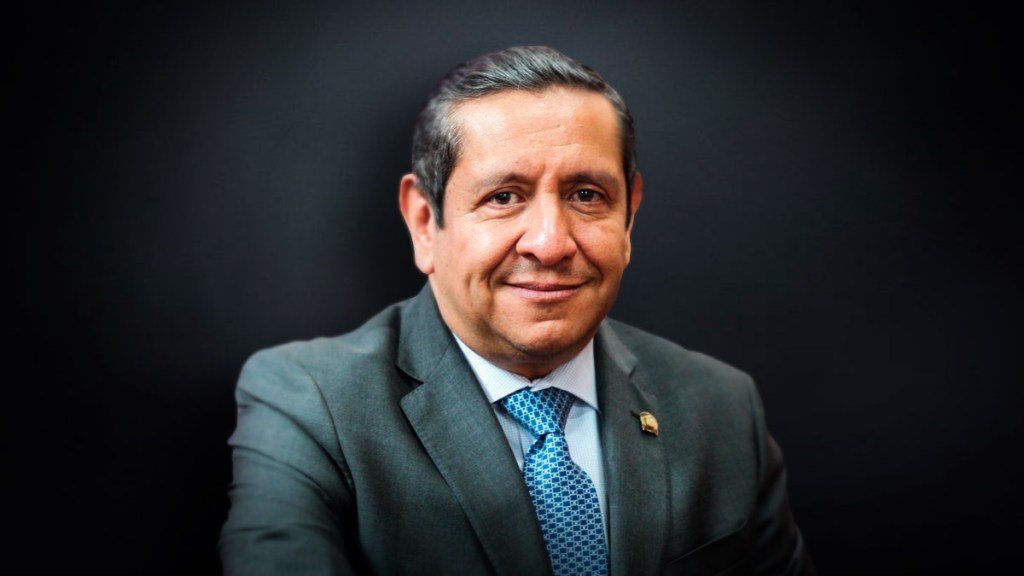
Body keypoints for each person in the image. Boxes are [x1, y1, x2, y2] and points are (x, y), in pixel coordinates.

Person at [220, 45, 814, 575]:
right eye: (504, 197)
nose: (550, 244)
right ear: (425, 222)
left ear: (629, 215)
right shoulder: (308, 404)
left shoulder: (721, 408)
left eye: (587, 195)